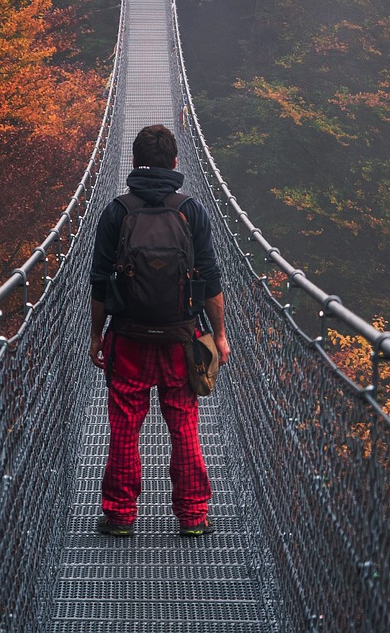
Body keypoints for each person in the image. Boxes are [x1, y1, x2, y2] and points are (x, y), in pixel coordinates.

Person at [88, 124, 230, 537]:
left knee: (124, 427)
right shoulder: (192, 210)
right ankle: (192, 517)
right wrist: (218, 336)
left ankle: (119, 516)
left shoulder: (117, 211)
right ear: (175, 163)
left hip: (128, 337)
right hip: (181, 339)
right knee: (184, 424)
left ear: (133, 163)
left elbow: (100, 283)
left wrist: (97, 336)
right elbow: (211, 280)